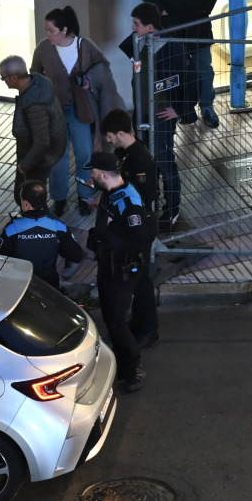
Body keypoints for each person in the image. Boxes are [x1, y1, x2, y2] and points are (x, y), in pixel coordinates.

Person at [30, 5, 124, 217]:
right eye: (46, 30)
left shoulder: (85, 46)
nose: (47, 34)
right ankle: (59, 198)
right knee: (57, 156)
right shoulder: (43, 48)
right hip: (54, 111)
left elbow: (103, 66)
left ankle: (85, 196)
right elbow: (35, 73)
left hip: (82, 111)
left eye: (51, 30)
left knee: (85, 154)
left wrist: (88, 80)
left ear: (64, 30)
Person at [133, 0, 221, 127]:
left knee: (204, 69)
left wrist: (205, 10)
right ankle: (180, 110)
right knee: (174, 72)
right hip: (170, 26)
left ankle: (206, 106)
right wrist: (159, 8)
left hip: (197, 24)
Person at [85, 152, 156, 393]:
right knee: (110, 318)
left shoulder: (126, 200)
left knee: (115, 321)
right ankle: (121, 360)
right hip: (109, 267)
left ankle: (133, 367)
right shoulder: (111, 192)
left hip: (122, 271)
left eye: (93, 172)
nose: (91, 176)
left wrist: (112, 226)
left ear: (104, 174)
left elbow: (143, 234)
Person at [118, 2, 192, 233]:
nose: (132, 27)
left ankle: (172, 209)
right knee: (144, 158)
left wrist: (180, 110)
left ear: (150, 27)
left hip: (160, 115)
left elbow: (189, 80)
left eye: (136, 24)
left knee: (163, 159)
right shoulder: (137, 41)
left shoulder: (171, 48)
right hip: (142, 113)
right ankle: (151, 197)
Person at [101, 108, 160, 349]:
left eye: (109, 135)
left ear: (121, 133)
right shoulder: (124, 153)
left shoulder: (140, 159)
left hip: (138, 227)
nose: (107, 140)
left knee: (141, 278)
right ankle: (139, 321)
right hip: (129, 225)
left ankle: (149, 329)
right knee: (135, 277)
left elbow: (144, 196)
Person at [0, 55, 66, 205]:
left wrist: (24, 166)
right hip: (37, 155)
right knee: (28, 198)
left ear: (14, 78)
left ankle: (40, 225)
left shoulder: (35, 104)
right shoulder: (39, 82)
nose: (3, 81)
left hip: (37, 159)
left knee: (28, 199)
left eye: (3, 78)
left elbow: (41, 142)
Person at [0, 179, 83, 289]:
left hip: (20, 286)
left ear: (26, 204)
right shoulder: (58, 227)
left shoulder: (12, 229)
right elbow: (77, 256)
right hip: (49, 287)